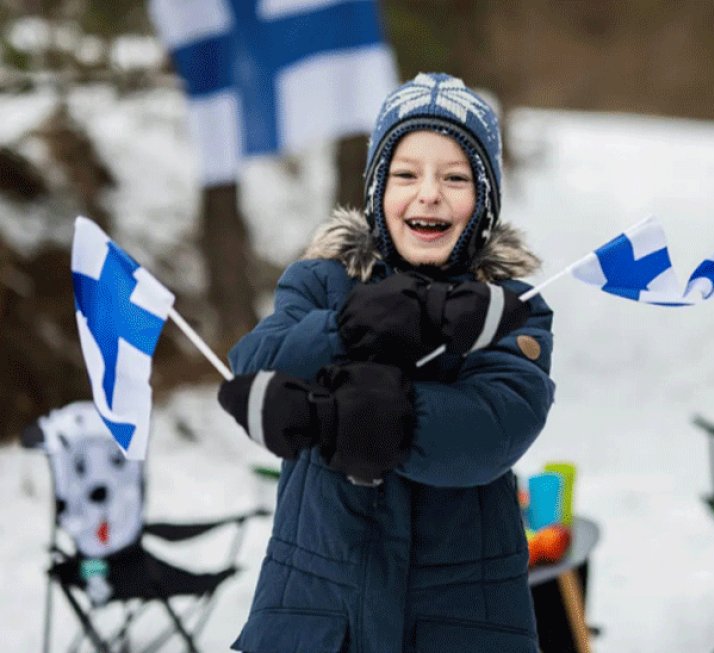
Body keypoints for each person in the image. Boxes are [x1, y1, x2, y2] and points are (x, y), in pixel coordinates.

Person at [218, 72, 556, 653]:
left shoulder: (506, 307)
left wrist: (340, 418)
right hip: (317, 617)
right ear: (376, 190)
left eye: (454, 177)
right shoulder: (321, 281)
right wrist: (346, 326)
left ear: (484, 200)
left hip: (460, 622)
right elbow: (256, 366)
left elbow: (494, 426)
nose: (428, 194)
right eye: (406, 174)